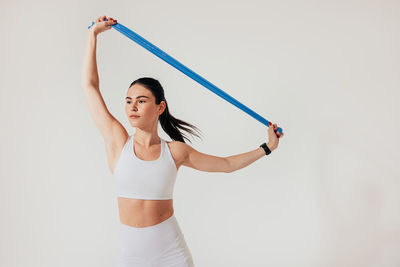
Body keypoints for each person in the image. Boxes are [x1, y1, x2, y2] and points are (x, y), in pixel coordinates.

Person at [81, 15, 284, 267]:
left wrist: (266, 148)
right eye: (128, 100)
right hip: (130, 258)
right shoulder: (117, 141)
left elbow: (226, 164)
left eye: (141, 100)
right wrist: (93, 36)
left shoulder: (175, 151)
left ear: (159, 107)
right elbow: (90, 86)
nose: (132, 107)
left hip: (171, 255)